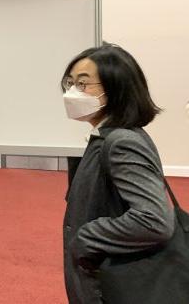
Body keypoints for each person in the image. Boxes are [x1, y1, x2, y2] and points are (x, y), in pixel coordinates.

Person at [61, 43, 175, 303]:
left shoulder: (123, 142)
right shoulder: (105, 135)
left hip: (111, 282)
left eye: (82, 84)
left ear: (115, 89)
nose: (71, 93)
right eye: (70, 83)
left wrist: (86, 237)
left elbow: (154, 220)